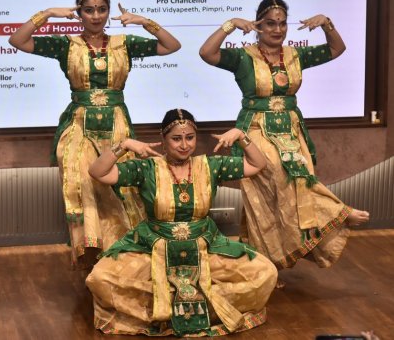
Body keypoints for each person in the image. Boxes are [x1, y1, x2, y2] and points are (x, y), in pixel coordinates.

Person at [8, 0, 181, 261]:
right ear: (80, 14)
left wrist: (143, 21)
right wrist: (48, 13)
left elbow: (172, 46)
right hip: (79, 123)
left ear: (109, 11)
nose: (96, 16)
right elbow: (17, 40)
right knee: (83, 179)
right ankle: (90, 249)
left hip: (117, 123)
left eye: (102, 9)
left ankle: (125, 251)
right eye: (89, 10)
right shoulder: (66, 45)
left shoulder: (123, 43)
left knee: (121, 186)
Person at [198, 0, 370, 274]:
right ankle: (338, 213)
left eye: (281, 24)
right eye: (269, 24)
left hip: (290, 130)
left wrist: (326, 23)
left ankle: (268, 263)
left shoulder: (294, 55)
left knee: (280, 190)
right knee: (278, 174)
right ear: (258, 26)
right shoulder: (244, 57)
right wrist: (229, 25)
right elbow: (207, 53)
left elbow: (337, 48)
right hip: (254, 129)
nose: (277, 30)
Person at [87, 108, 277, 336]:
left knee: (266, 272)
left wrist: (241, 136)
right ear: (163, 140)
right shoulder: (146, 168)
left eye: (190, 137)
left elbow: (257, 165)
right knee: (99, 278)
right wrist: (124, 146)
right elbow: (98, 172)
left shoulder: (210, 165)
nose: (184, 145)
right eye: (176, 139)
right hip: (154, 248)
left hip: (205, 248)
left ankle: (195, 307)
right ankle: (164, 311)